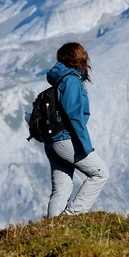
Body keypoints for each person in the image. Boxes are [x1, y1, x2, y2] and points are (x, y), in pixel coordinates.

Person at [44, 42, 109, 217]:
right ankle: (71, 218)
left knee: (61, 188)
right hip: (66, 139)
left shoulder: (59, 79)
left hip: (52, 142)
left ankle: (53, 229)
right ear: (78, 58)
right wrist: (85, 145)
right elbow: (74, 115)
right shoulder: (71, 80)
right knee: (100, 173)